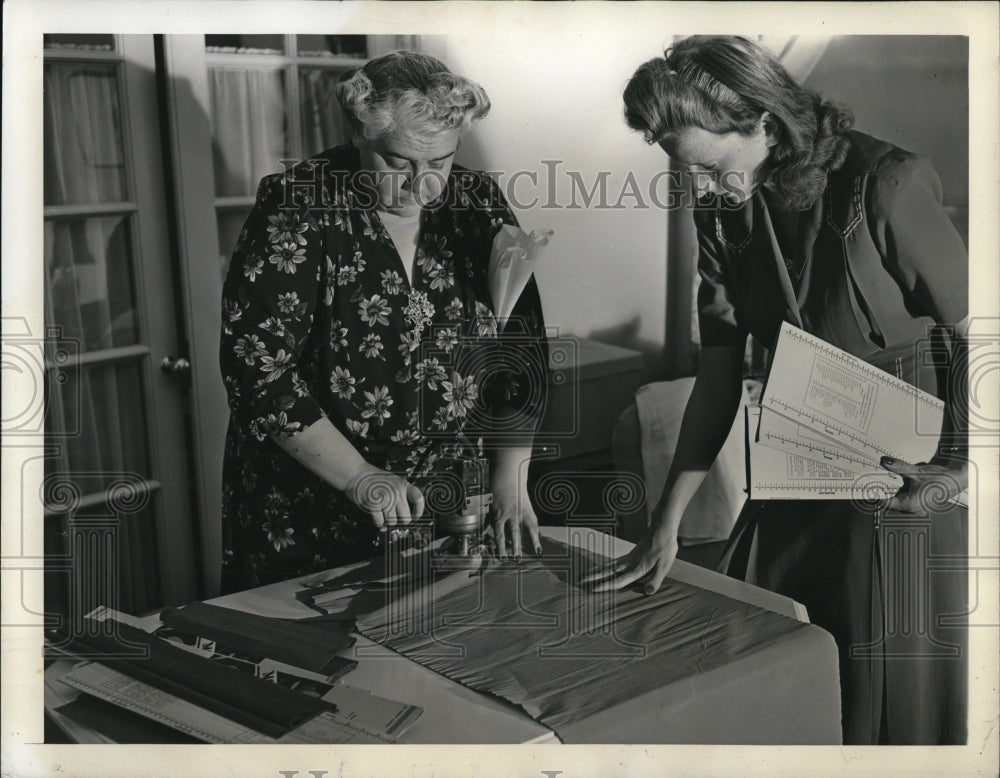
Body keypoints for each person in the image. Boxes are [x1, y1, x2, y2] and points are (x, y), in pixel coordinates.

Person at [583, 36, 968, 745]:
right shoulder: (722, 210)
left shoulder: (884, 184)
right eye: (683, 170)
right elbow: (720, 377)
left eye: (707, 166)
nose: (697, 187)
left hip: (902, 483)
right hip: (795, 474)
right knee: (776, 666)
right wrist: (665, 522)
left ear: (763, 122)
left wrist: (958, 465)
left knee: (876, 692)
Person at [219, 51, 548, 594]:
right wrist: (360, 477)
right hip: (319, 505)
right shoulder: (299, 204)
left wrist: (511, 482)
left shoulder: (475, 202)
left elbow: (521, 349)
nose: (422, 185)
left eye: (439, 163)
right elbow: (258, 372)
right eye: (399, 164)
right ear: (359, 138)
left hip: (451, 503)